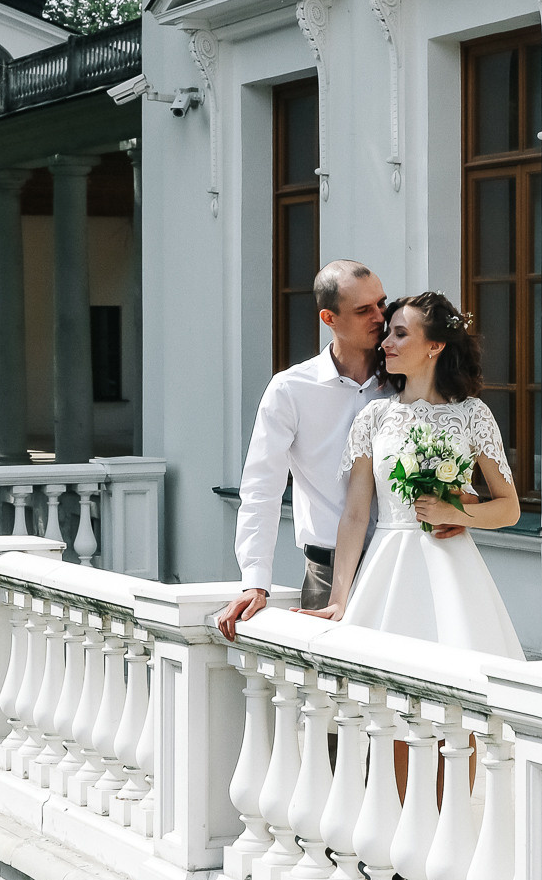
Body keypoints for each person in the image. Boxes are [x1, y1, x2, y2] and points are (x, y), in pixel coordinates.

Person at [214, 261, 459, 641]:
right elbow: (261, 490)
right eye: (364, 310)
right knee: (327, 697)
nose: (380, 317)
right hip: (328, 574)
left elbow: (451, 454)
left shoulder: (409, 380)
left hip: (409, 566)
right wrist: (255, 581)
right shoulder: (290, 390)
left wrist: (458, 505)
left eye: (381, 303)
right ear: (329, 317)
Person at [308, 292, 525, 657]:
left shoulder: (473, 414)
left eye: (400, 334)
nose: (386, 343)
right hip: (386, 568)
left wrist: (455, 513)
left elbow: (510, 509)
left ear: (435, 345)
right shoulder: (373, 417)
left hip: (453, 571)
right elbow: (356, 514)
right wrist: (338, 599)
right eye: (388, 334)